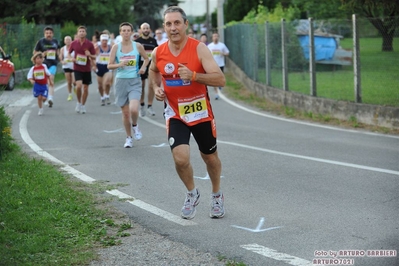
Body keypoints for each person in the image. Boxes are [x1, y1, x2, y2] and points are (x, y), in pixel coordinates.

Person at [149, 6, 225, 220]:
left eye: (177, 23)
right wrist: (156, 88)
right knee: (180, 159)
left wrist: (194, 75)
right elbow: (153, 71)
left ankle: (217, 194)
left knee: (210, 158)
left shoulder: (199, 49)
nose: (173, 28)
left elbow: (220, 80)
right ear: (164, 27)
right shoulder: (159, 52)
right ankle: (192, 193)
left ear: (185, 25)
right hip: (175, 113)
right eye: (168, 24)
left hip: (200, 113)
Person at [108, 22, 149, 148]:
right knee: (126, 114)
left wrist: (142, 68)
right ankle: (128, 137)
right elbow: (109, 65)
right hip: (121, 82)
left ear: (132, 32)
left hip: (134, 81)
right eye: (123, 30)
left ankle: (135, 125)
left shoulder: (137, 46)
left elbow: (147, 59)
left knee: (134, 109)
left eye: (128, 30)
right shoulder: (116, 47)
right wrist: (119, 65)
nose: (126, 33)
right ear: (120, 33)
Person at [68, 26, 96, 114]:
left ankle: (83, 105)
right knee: (79, 86)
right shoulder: (74, 43)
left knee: (86, 88)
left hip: (87, 68)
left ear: (85, 33)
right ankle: (78, 102)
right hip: (77, 68)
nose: (81, 33)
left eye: (83, 31)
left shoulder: (90, 44)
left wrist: (89, 55)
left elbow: (95, 56)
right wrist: (71, 58)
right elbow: (68, 53)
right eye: (80, 31)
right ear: (77, 33)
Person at [33, 26, 59, 108]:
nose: (49, 34)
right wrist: (41, 54)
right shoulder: (41, 42)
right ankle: (45, 95)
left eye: (50, 33)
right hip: (43, 65)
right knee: (45, 82)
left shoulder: (55, 41)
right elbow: (35, 53)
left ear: (53, 34)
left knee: (51, 79)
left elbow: (58, 51)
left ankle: (50, 98)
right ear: (44, 34)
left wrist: (60, 57)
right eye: (47, 33)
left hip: (53, 63)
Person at [135, 22, 158, 117]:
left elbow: (156, 53)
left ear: (150, 30)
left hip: (151, 66)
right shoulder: (137, 41)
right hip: (141, 66)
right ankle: (141, 105)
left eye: (147, 28)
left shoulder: (153, 41)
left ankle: (150, 105)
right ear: (141, 30)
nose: (146, 30)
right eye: (144, 28)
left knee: (152, 85)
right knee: (142, 85)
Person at [207, 32, 230, 100]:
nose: (215, 37)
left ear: (218, 37)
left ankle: (220, 85)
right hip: (213, 65)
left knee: (220, 78)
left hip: (221, 64)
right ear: (212, 38)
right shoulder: (209, 46)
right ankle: (217, 93)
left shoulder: (222, 45)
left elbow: (227, 53)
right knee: (214, 79)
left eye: (216, 36)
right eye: (214, 36)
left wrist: (224, 54)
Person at [94, 33, 113, 106]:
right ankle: (102, 97)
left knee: (107, 83)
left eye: (106, 40)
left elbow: (114, 55)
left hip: (108, 67)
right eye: (103, 41)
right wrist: (93, 66)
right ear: (101, 41)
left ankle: (107, 95)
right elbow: (92, 57)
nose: (104, 42)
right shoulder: (97, 48)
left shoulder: (111, 47)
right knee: (100, 85)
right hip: (99, 66)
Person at [59, 36, 75, 101]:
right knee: (68, 82)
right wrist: (62, 61)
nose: (68, 41)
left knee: (74, 81)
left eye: (69, 40)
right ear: (64, 41)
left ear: (71, 41)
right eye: (66, 40)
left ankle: (75, 87)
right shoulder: (63, 49)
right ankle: (70, 94)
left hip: (74, 66)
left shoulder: (74, 48)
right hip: (66, 66)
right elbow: (60, 57)